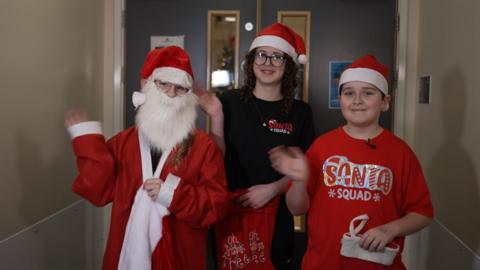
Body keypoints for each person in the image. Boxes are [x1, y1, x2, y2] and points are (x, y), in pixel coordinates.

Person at [64, 46, 229, 270]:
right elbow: (98, 192)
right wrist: (87, 143)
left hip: (181, 258)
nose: (171, 94)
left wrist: (174, 196)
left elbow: (216, 207)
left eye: (180, 88)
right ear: (146, 86)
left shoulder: (203, 146)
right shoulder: (123, 143)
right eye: (163, 84)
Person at [269, 54, 434, 270]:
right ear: (341, 100)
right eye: (349, 93)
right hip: (323, 264)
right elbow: (296, 208)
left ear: (385, 102)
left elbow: (423, 213)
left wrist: (390, 229)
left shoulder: (401, 153)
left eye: (368, 93)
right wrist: (299, 181)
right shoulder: (321, 148)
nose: (357, 100)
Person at [199, 23, 315, 270]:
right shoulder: (229, 101)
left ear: (288, 66)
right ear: (252, 61)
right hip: (227, 214)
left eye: (277, 57)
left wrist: (273, 189)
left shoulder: (301, 113)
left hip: (277, 221)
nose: (268, 63)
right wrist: (217, 117)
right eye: (262, 55)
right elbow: (215, 159)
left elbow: (305, 170)